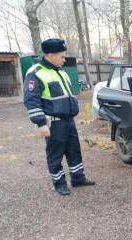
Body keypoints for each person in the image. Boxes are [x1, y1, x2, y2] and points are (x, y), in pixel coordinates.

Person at [23, 38, 95, 196]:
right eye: (62, 56)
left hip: (69, 121)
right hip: (53, 123)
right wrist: (40, 123)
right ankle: (59, 183)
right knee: (55, 154)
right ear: (50, 55)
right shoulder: (36, 73)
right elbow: (31, 101)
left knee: (74, 150)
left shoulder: (61, 71)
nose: (64, 59)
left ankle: (78, 178)